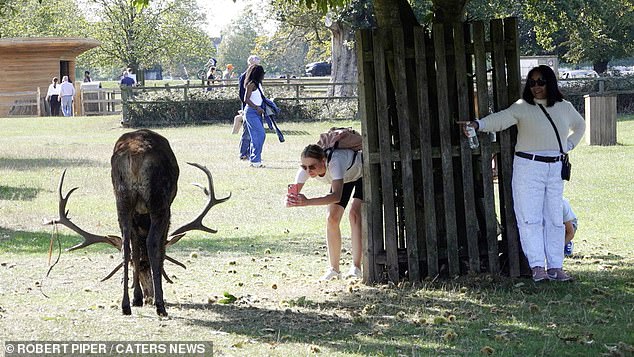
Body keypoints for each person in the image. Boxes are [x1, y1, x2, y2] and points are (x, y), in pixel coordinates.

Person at [461, 65, 585, 282]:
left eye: (541, 82)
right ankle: (537, 266)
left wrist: (569, 145)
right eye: (532, 82)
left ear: (550, 83)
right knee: (530, 218)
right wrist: (478, 124)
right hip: (529, 166)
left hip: (554, 167)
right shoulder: (523, 107)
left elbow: (580, 125)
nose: (536, 87)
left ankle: (556, 265)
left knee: (554, 218)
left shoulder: (564, 107)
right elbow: (501, 119)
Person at [286, 144, 363, 281]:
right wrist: (291, 199)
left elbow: (336, 196)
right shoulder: (305, 169)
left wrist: (307, 201)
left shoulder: (335, 162)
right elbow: (293, 192)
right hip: (345, 177)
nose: (308, 171)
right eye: (304, 167)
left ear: (323, 161)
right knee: (332, 218)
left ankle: (356, 268)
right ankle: (334, 270)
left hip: (362, 172)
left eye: (312, 167)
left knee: (354, 214)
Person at [243, 64, 267, 168]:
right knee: (259, 135)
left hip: (258, 112)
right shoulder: (251, 84)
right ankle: (255, 160)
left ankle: (255, 159)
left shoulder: (258, 84)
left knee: (257, 136)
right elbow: (246, 99)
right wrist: (257, 108)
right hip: (252, 112)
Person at [238, 55, 261, 160]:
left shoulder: (257, 77)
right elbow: (242, 94)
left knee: (254, 133)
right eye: (255, 64)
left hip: (256, 107)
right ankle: (243, 153)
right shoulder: (244, 76)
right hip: (249, 107)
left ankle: (251, 154)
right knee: (247, 132)